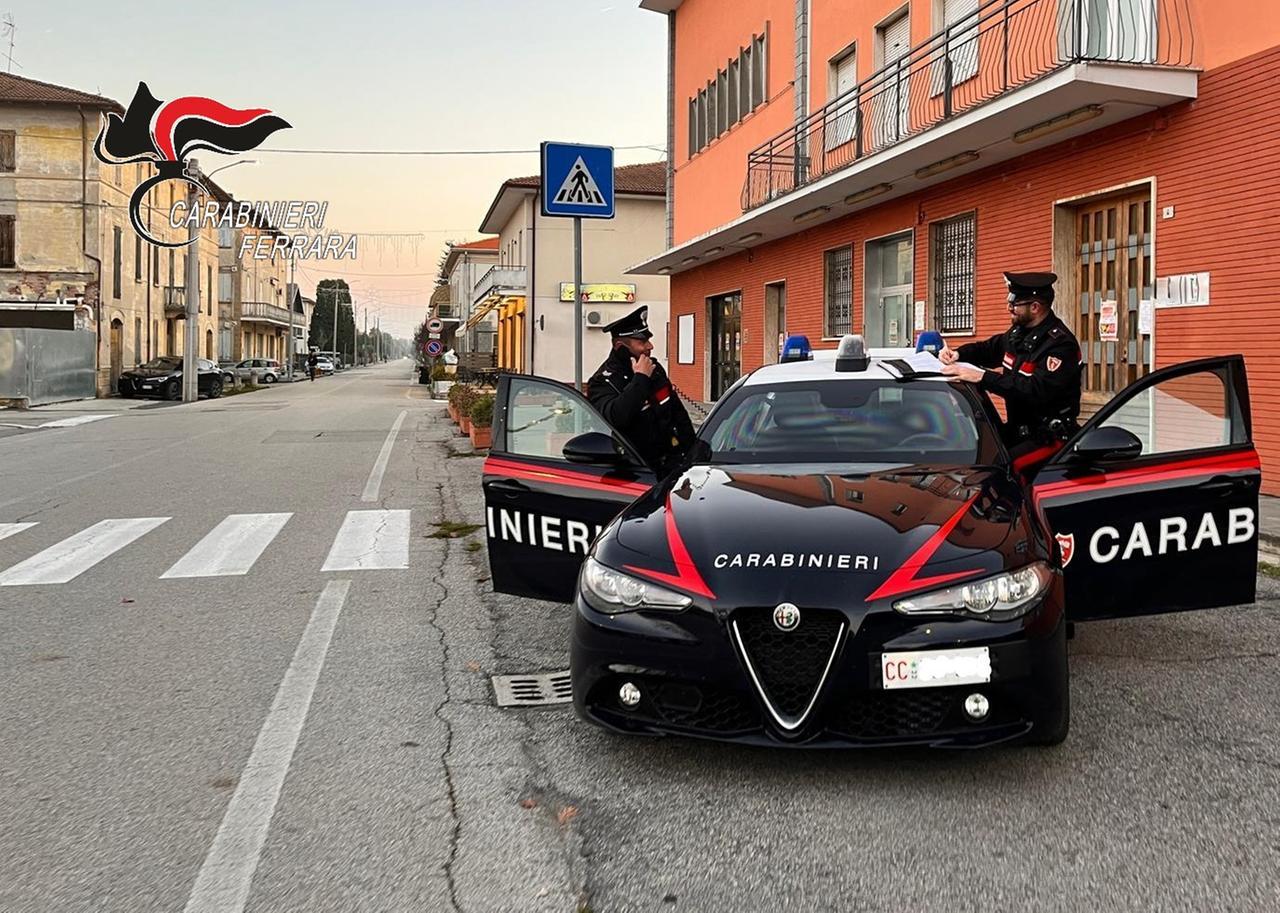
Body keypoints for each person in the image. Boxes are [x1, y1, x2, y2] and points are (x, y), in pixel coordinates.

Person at [940, 271, 1083, 474]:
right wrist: (957, 354)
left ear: (1035, 307)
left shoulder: (1059, 345)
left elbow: (1036, 390)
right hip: (1019, 431)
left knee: (999, 470)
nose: (1009, 308)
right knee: (975, 455)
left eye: (1014, 303)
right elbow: (989, 349)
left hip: (1049, 437)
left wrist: (983, 377)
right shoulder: (1018, 334)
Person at [587, 305, 696, 474]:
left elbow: (678, 415)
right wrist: (641, 379)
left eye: (648, 340)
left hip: (671, 465)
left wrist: (692, 454)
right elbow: (617, 418)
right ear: (620, 346)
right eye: (642, 342)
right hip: (634, 471)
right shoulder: (603, 381)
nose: (650, 346)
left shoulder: (655, 369)